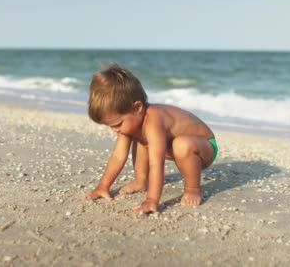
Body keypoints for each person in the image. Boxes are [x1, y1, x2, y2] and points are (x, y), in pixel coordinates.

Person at [84, 63, 218, 213]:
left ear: (137, 108)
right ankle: (141, 181)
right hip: (172, 146)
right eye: (110, 126)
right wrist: (103, 186)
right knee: (138, 135)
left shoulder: (154, 120)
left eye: (118, 124)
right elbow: (117, 156)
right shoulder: (133, 121)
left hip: (203, 148)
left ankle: (193, 189)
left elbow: (156, 163)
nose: (115, 130)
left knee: (182, 144)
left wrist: (151, 200)